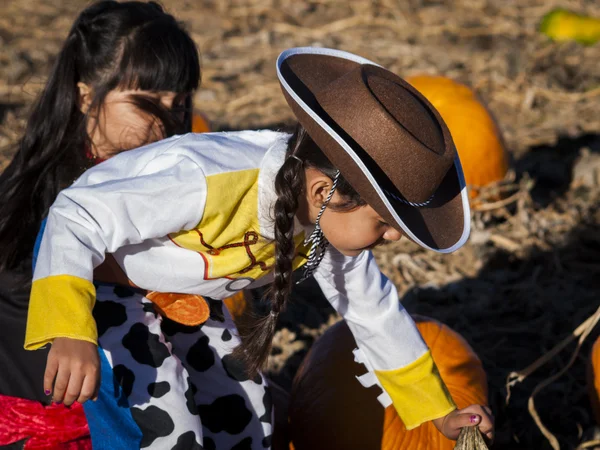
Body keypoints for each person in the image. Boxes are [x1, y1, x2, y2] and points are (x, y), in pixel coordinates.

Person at [26, 47, 495, 448]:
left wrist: (435, 411)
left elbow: (374, 313)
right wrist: (69, 328)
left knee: (247, 416)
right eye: (384, 223)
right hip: (98, 278)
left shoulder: (323, 221)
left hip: (186, 293)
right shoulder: (208, 181)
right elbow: (75, 216)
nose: (393, 237)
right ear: (321, 194)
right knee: (163, 427)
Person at [0, 1, 204, 448]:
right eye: (144, 103)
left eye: (179, 103)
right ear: (86, 95)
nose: (166, 124)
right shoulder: (61, 206)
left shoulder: (142, 176)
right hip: (59, 426)